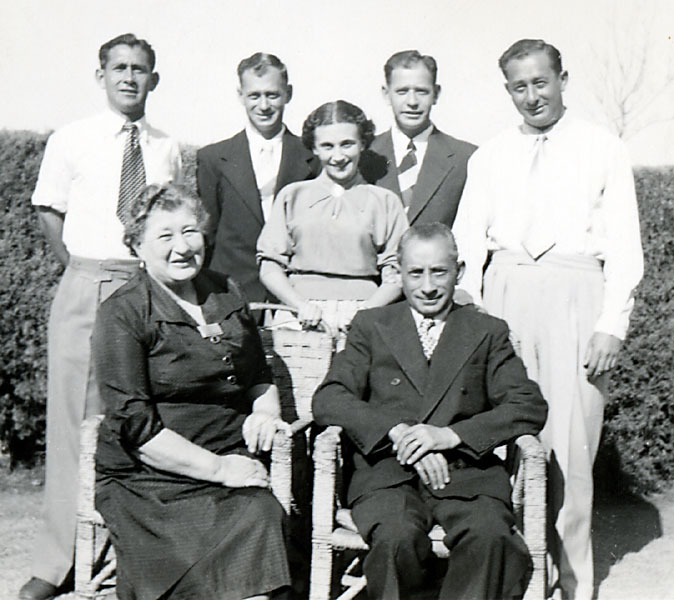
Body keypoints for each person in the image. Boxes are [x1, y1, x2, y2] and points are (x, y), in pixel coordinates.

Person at [452, 39, 644, 600]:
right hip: (505, 294)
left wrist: (612, 323)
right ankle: (514, 574)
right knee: (503, 433)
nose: (532, 96)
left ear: (562, 79)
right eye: (520, 86)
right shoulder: (490, 155)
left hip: (576, 294)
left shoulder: (603, 147)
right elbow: (468, 243)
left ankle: (574, 582)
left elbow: (625, 246)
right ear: (507, 90)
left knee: (572, 443)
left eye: (541, 82)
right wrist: (473, 312)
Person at [21, 34, 181, 600]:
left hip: (145, 290)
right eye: (119, 68)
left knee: (139, 420)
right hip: (87, 283)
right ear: (102, 76)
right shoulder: (72, 138)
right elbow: (48, 211)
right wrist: (81, 271)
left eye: (140, 69)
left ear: (153, 80)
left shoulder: (167, 148)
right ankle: (55, 562)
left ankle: (131, 554)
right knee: (73, 424)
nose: (129, 78)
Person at [313, 223, 548, 600]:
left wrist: (449, 436)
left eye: (439, 272)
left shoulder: (486, 331)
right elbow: (330, 398)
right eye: (416, 273)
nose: (427, 286)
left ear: (460, 271)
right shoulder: (371, 326)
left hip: (466, 473)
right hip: (388, 475)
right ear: (397, 274)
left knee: (489, 538)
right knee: (395, 539)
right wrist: (397, 432)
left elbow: (528, 405)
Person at [92, 183, 290, 600]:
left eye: (189, 231)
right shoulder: (123, 312)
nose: (181, 247)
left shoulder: (226, 291)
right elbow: (135, 427)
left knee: (261, 513)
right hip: (150, 479)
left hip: (231, 457)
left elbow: (258, 373)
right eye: (165, 236)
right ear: (137, 246)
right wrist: (219, 470)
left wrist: (265, 412)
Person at [257, 100, 408, 337]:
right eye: (327, 146)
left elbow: (397, 274)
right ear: (314, 148)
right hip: (299, 315)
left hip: (363, 315)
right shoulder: (292, 196)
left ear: (362, 144)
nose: (338, 157)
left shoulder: (385, 201)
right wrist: (300, 305)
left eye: (347, 144)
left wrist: (365, 312)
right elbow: (269, 266)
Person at [197, 52, 320, 306]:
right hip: (230, 292)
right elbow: (207, 234)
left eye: (272, 95)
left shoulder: (312, 156)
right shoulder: (213, 158)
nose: (263, 106)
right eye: (254, 95)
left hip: (295, 293)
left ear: (288, 94)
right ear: (240, 95)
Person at [359, 50, 475, 228]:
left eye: (422, 91)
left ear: (436, 94)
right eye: (402, 91)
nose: (412, 101)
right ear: (386, 94)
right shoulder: (364, 154)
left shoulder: (466, 157)